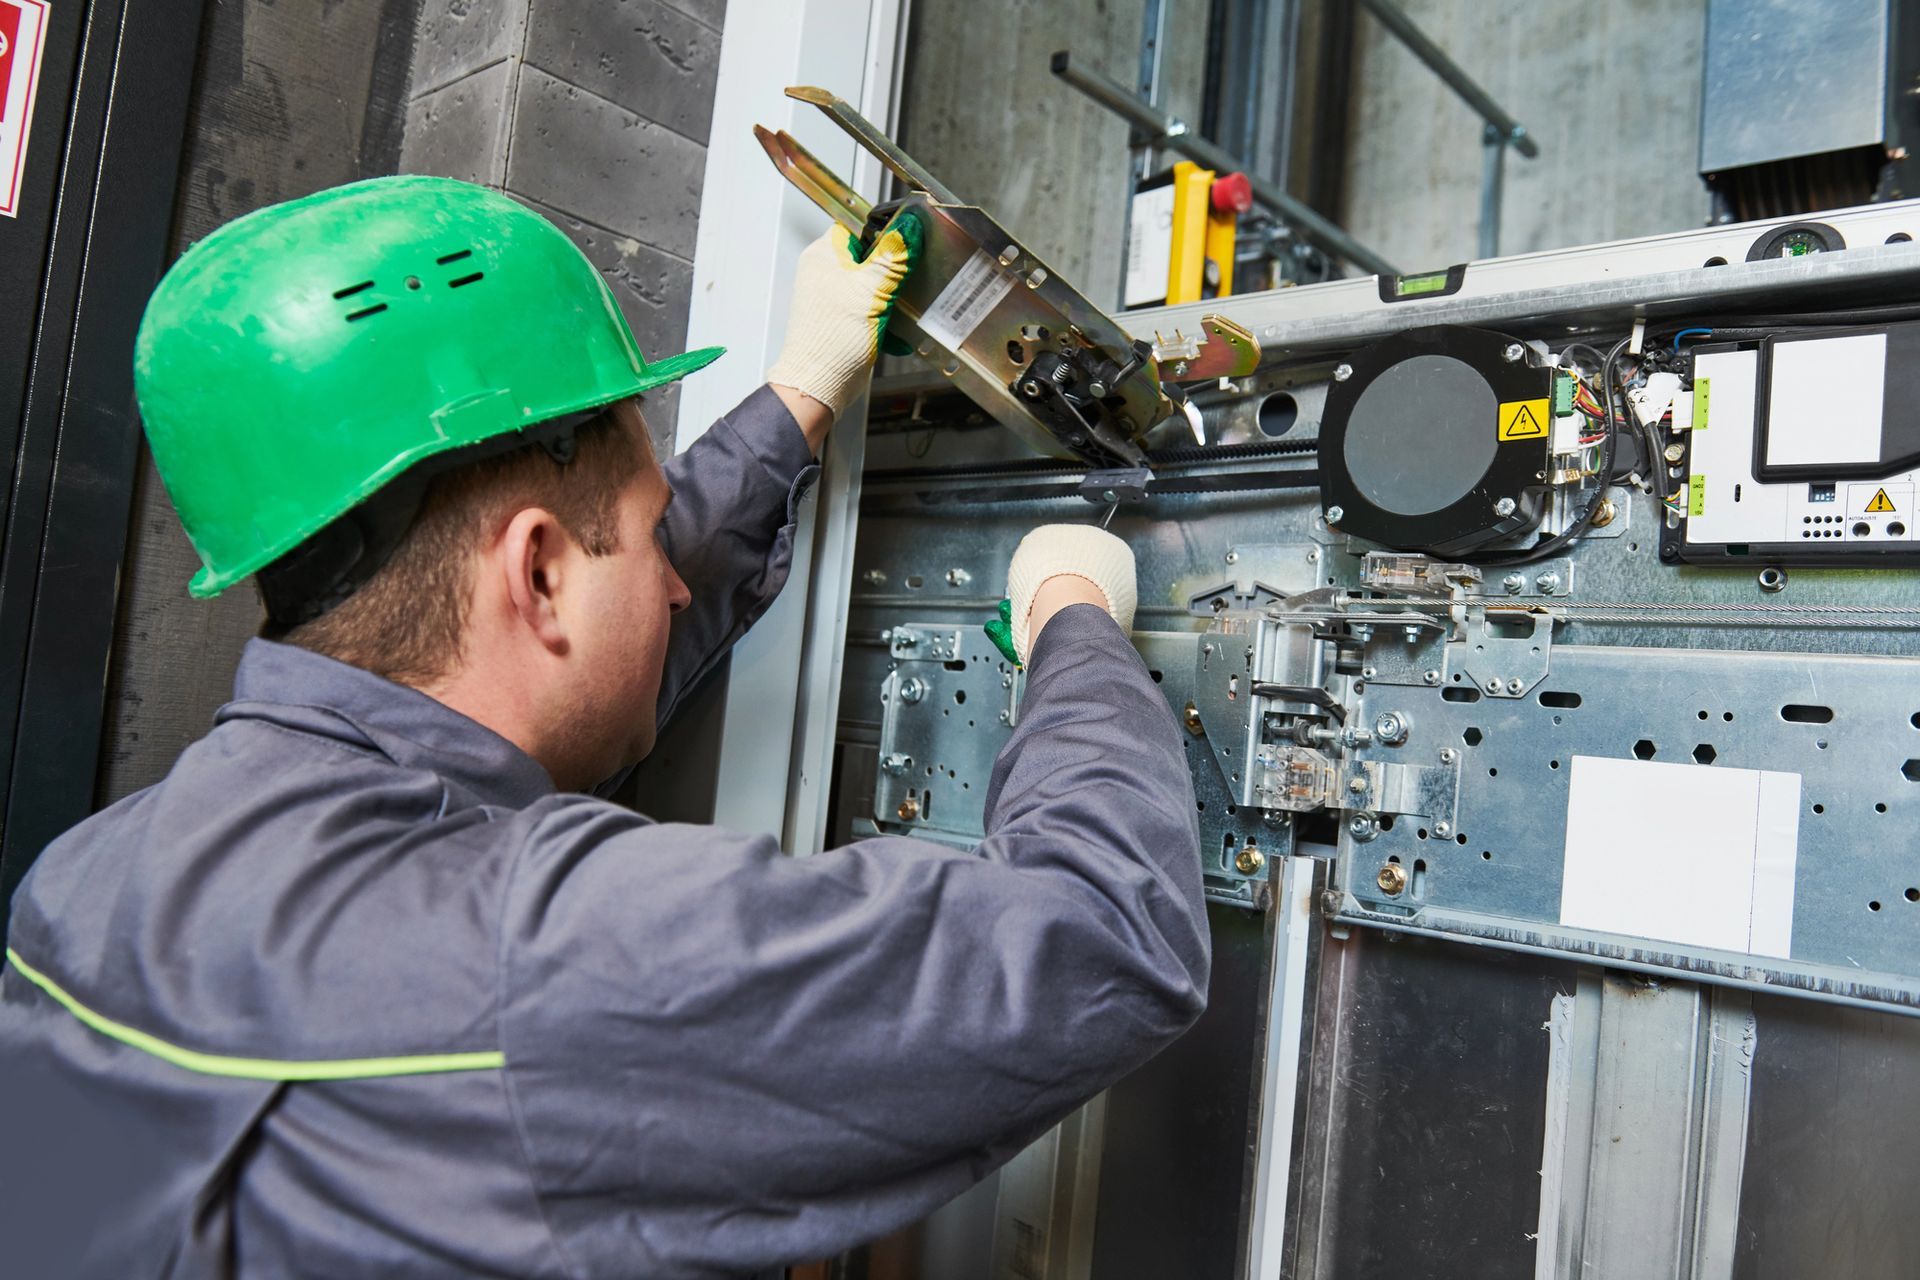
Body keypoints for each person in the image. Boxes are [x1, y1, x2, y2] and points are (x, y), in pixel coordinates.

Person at [0, 175, 1207, 1278]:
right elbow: (1104, 932)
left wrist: (806, 386)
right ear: (535, 571)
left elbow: (583, 652)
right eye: (643, 532)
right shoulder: (550, 959)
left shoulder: (94, 880)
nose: (675, 581)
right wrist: (1073, 610)